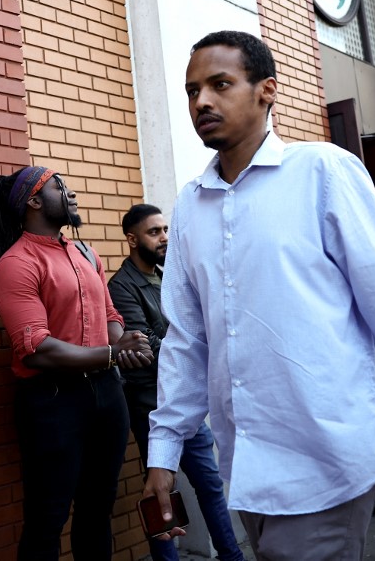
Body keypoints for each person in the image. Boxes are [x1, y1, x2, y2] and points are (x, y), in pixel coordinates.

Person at [143, 31, 375, 561]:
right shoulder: (191, 205)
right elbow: (188, 341)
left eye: (219, 84)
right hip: (246, 471)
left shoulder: (323, 172)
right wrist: (164, 453)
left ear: (267, 90)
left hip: (324, 466)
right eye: (192, 91)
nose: (201, 101)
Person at [0, 166, 153, 560]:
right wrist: (113, 354)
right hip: (53, 401)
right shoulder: (16, 263)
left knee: (97, 510)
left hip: (107, 394)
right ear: (34, 201)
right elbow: (37, 348)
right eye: (60, 187)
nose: (71, 193)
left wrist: (123, 343)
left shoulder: (85, 252)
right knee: (48, 518)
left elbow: (109, 314)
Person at [108, 204, 244, 561]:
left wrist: (190, 344)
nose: (164, 237)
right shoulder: (121, 286)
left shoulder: (168, 276)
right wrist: (189, 347)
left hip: (186, 402)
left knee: (210, 485)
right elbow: (146, 346)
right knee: (160, 493)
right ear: (132, 239)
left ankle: (232, 556)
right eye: (154, 232)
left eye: (166, 229)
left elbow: (189, 330)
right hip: (150, 406)